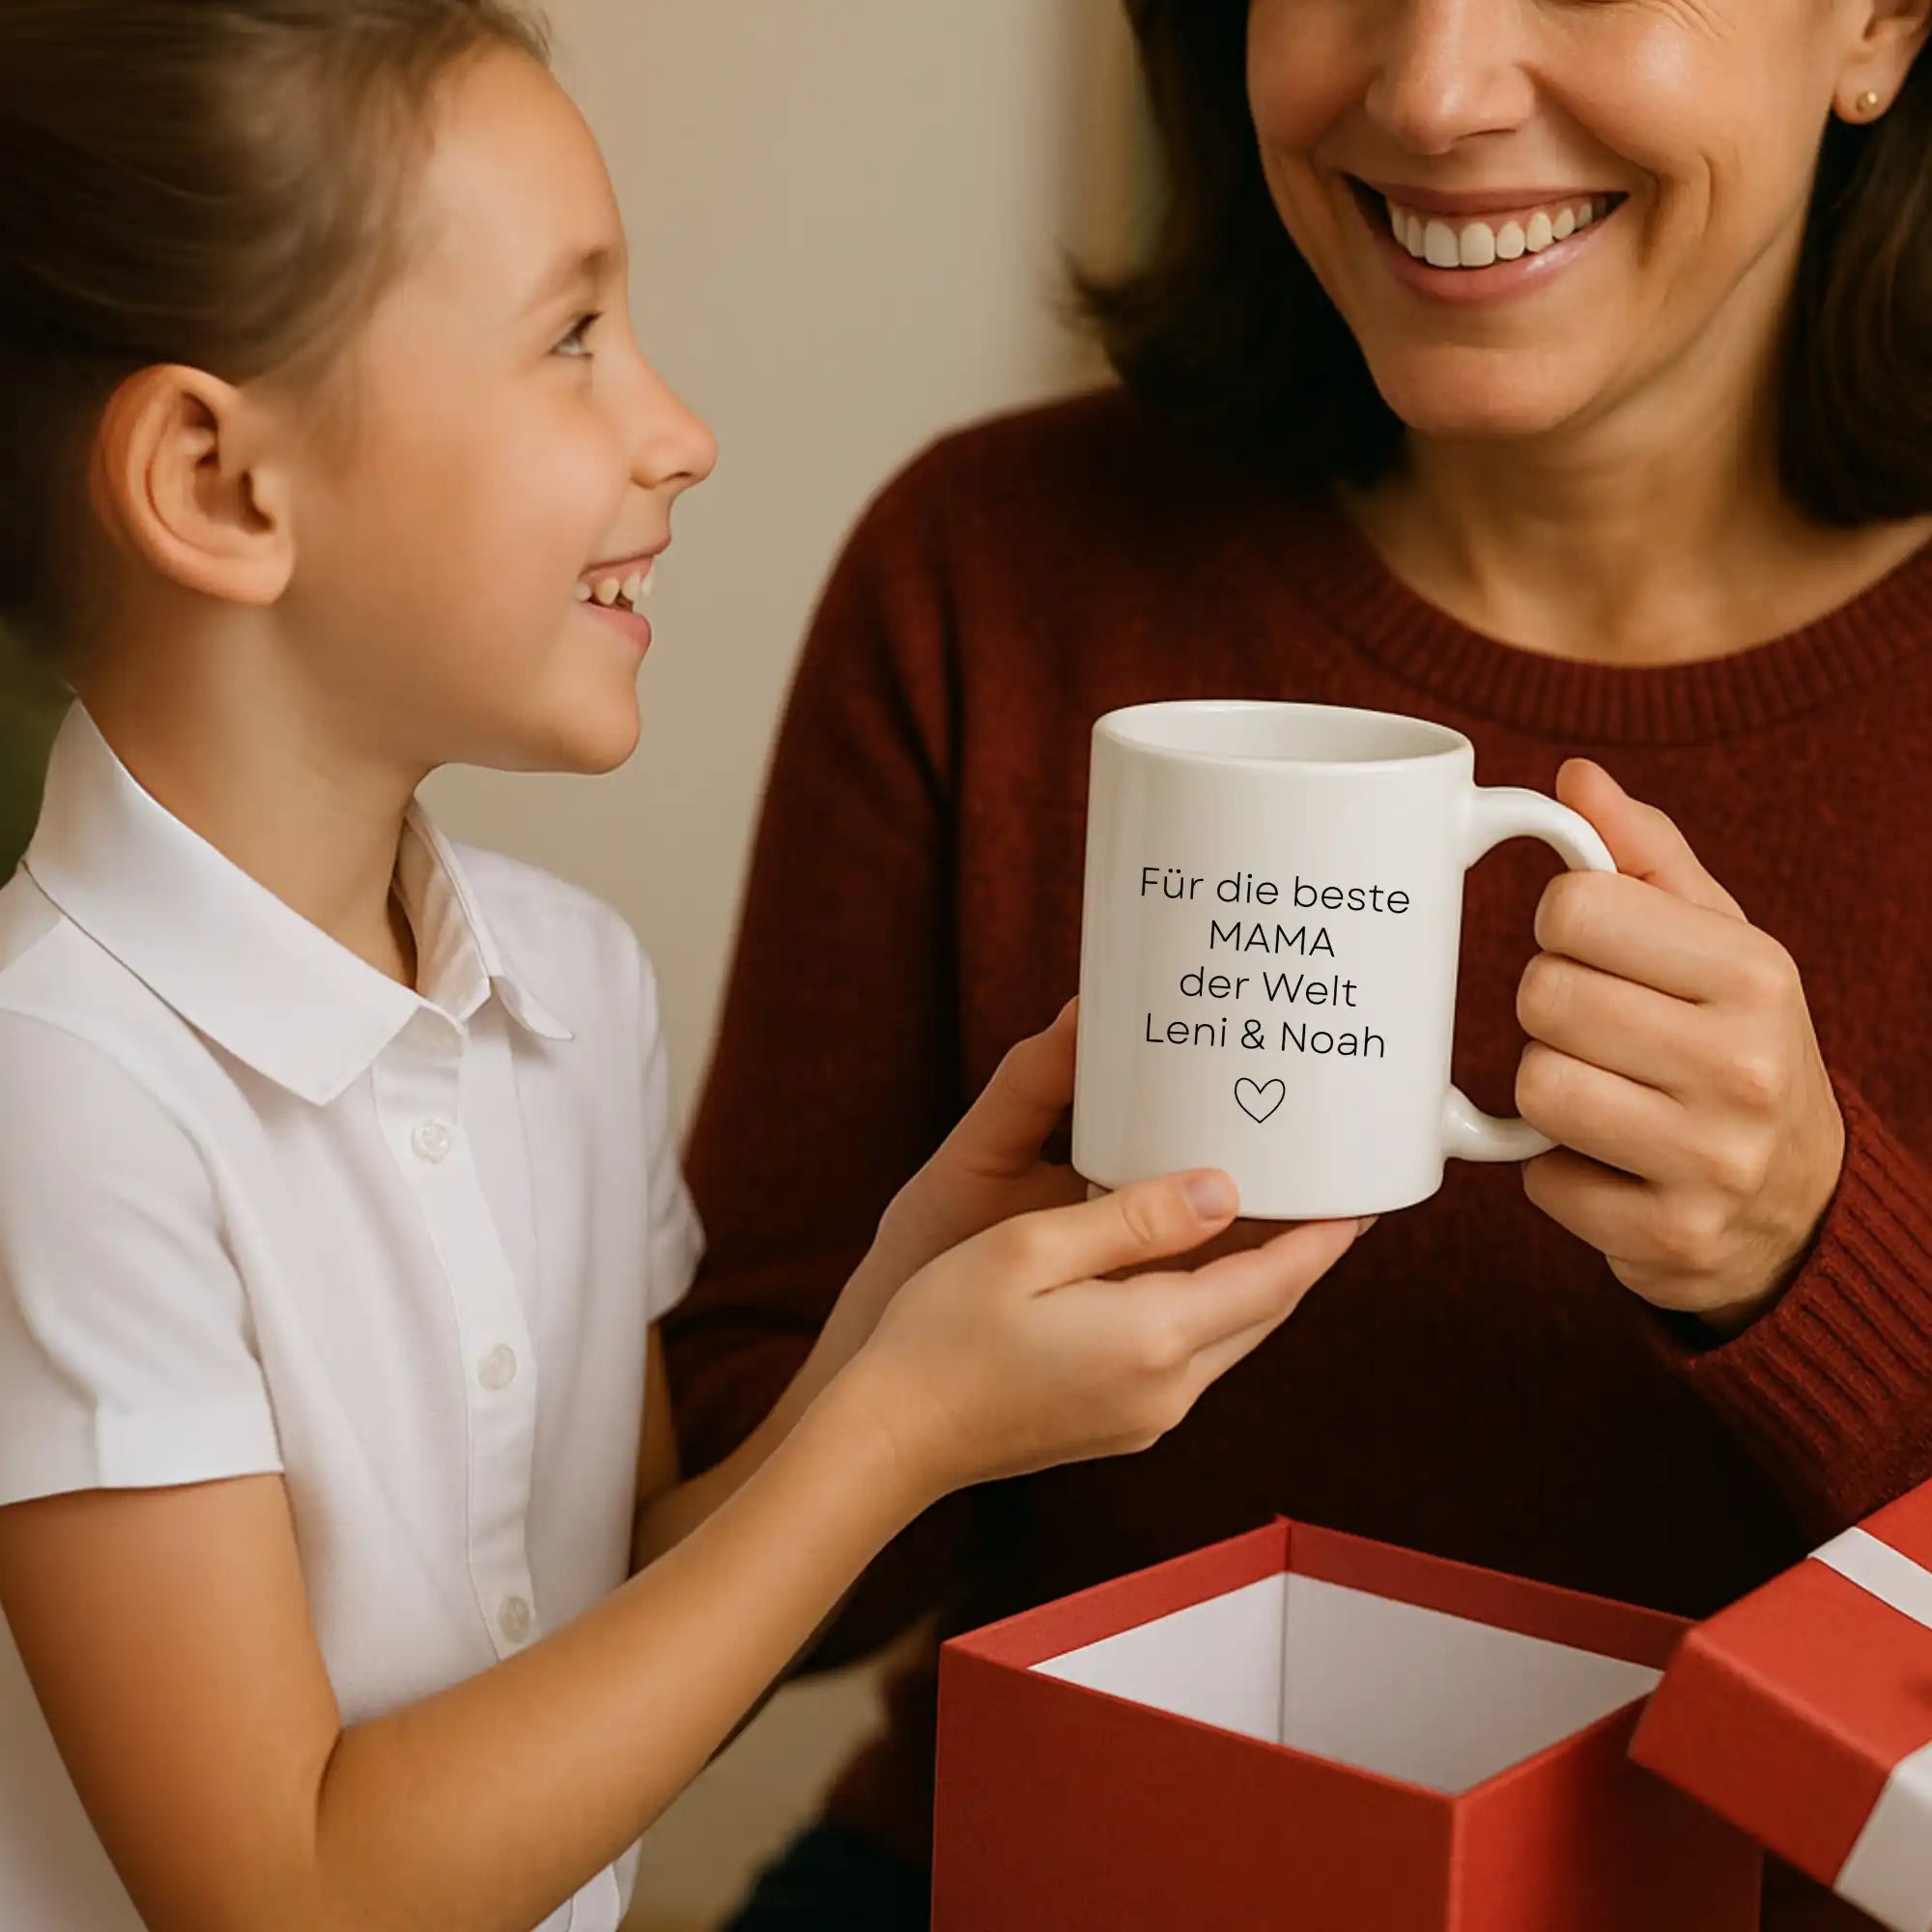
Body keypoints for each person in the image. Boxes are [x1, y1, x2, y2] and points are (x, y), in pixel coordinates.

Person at [0, 7, 1371, 1929]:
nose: (677, 429)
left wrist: (899, 1330)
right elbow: (284, 1887)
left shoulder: (573, 991)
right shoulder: (59, 1096)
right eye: (572, 336)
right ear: (222, 484)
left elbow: (629, 1606)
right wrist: (905, 1429)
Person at [663, 1, 1932, 1926]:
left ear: (1875, 23)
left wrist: (1819, 1253)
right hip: (1023, 1874)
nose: (1426, 88)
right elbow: (735, 1590)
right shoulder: (991, 569)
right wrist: (906, 1376)